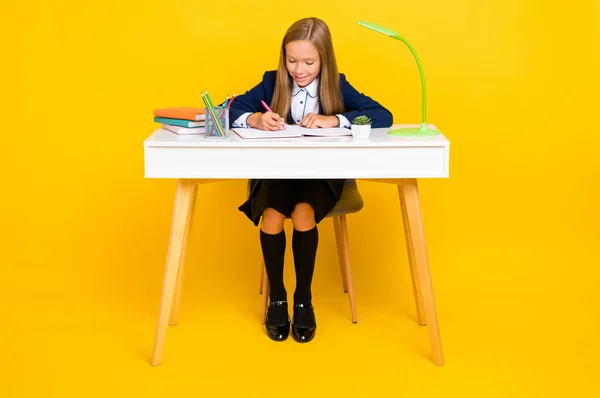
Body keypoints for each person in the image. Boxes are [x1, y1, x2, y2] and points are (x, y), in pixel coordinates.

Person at [229, 17, 393, 343]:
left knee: (304, 212)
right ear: (283, 58)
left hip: (320, 177)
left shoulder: (338, 85)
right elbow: (229, 107)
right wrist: (256, 118)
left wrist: (335, 120)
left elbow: (383, 116)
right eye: (291, 61)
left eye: (308, 62)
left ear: (324, 60)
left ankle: (303, 298)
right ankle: (278, 296)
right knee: (273, 214)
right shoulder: (272, 82)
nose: (299, 70)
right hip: (277, 174)